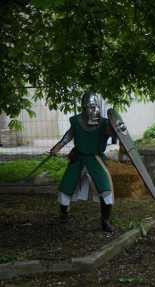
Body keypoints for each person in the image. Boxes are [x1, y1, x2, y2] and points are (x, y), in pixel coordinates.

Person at [50, 92, 115, 232]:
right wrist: (57, 147)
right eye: (90, 106)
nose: (93, 109)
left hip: (95, 160)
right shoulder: (77, 121)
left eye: (94, 106)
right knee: (65, 188)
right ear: (84, 107)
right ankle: (63, 215)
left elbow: (113, 133)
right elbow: (68, 135)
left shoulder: (104, 123)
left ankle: (105, 221)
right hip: (78, 158)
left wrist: (114, 128)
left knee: (106, 190)